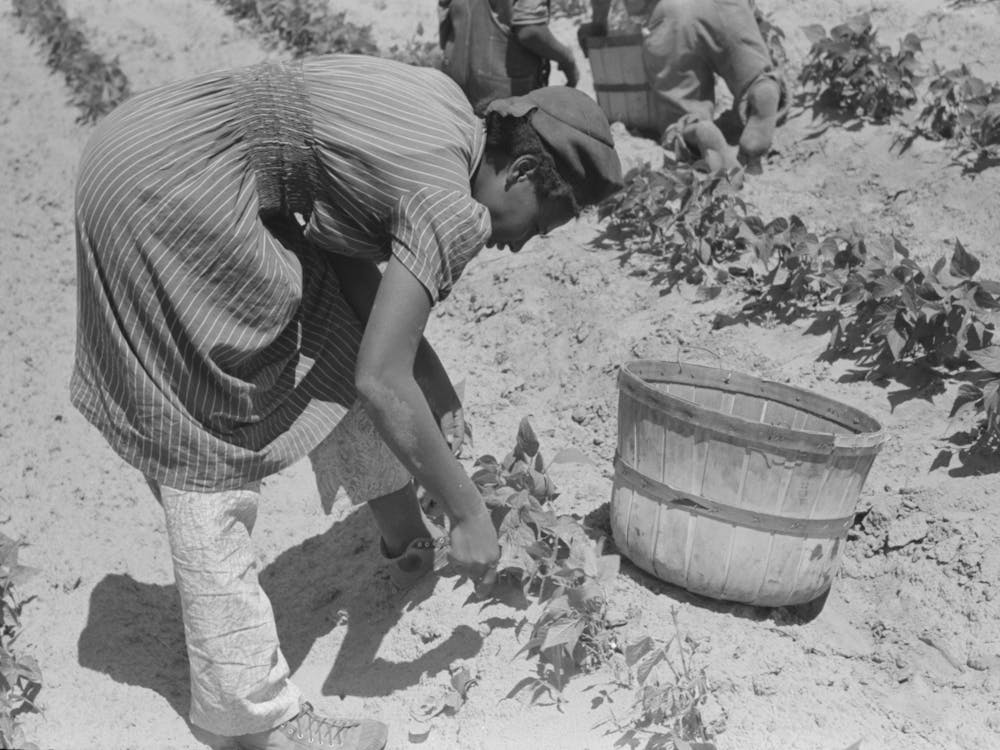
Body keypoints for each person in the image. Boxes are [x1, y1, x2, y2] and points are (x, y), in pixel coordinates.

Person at [70, 52, 622, 750]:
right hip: (173, 191)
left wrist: (430, 373)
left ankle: (401, 533)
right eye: (539, 223)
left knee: (324, 324)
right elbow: (380, 381)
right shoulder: (452, 207)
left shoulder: (449, 115)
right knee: (209, 433)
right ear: (519, 174)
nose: (518, 245)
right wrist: (469, 510)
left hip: (152, 141)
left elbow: (351, 268)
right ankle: (253, 715)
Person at [579, 0, 784, 171]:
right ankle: (760, 86)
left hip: (673, 16)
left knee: (680, 111)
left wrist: (596, 26)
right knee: (752, 70)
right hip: (728, 6)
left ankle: (694, 128)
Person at [439, 0, 580, 113]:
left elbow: (445, 18)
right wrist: (567, 59)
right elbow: (530, 31)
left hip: (455, 86)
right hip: (504, 100)